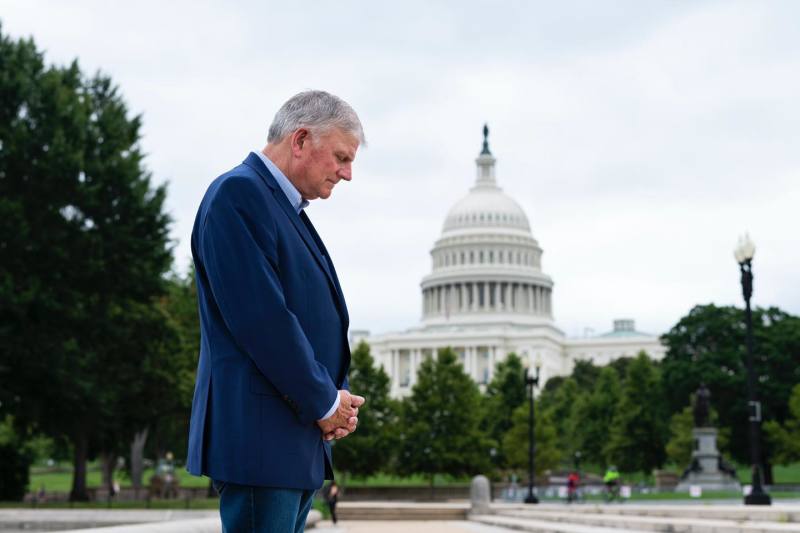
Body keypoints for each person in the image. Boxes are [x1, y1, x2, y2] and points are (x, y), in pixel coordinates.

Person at [186, 90, 367, 532]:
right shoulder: (239, 194)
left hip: (289, 438)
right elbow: (262, 320)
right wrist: (325, 401)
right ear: (301, 140)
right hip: (260, 439)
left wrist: (335, 400)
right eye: (341, 158)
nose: (347, 174)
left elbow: (310, 318)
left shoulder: (284, 209)